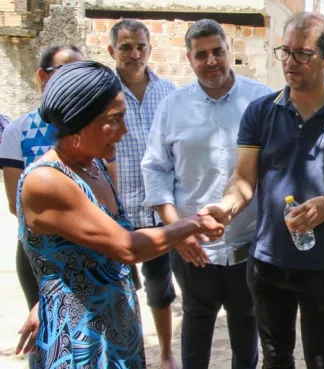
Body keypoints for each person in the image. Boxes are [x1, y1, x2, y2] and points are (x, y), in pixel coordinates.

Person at [199, 12, 324, 369]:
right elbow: (243, 179)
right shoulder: (260, 112)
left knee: (323, 360)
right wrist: (225, 209)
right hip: (269, 261)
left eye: (302, 53)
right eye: (285, 51)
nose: (290, 62)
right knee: (275, 358)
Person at [15, 60, 224, 368]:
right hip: (76, 342)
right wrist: (192, 224)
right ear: (80, 121)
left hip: (114, 330)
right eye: (115, 119)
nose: (124, 130)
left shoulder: (94, 167)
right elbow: (127, 247)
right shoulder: (47, 181)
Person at [142, 19, 273, 369]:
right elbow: (155, 169)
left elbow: (274, 167)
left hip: (249, 243)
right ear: (189, 58)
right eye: (202, 55)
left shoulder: (261, 100)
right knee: (197, 320)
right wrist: (177, 232)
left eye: (218, 51)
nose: (211, 61)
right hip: (193, 247)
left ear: (230, 52)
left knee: (247, 323)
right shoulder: (172, 106)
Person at [0, 44, 84, 368]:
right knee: (47, 335)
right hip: (39, 253)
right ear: (41, 77)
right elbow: (15, 204)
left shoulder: (90, 128)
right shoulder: (18, 130)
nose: (72, 82)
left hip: (92, 248)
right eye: (62, 72)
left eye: (79, 73)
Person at [107, 19, 179, 368]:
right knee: (118, 291)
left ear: (150, 49)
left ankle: (165, 354)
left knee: (159, 289)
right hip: (114, 212)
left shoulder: (169, 93)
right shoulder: (103, 93)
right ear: (111, 51)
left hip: (157, 213)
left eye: (140, 46)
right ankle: (127, 356)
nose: (134, 54)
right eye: (125, 47)